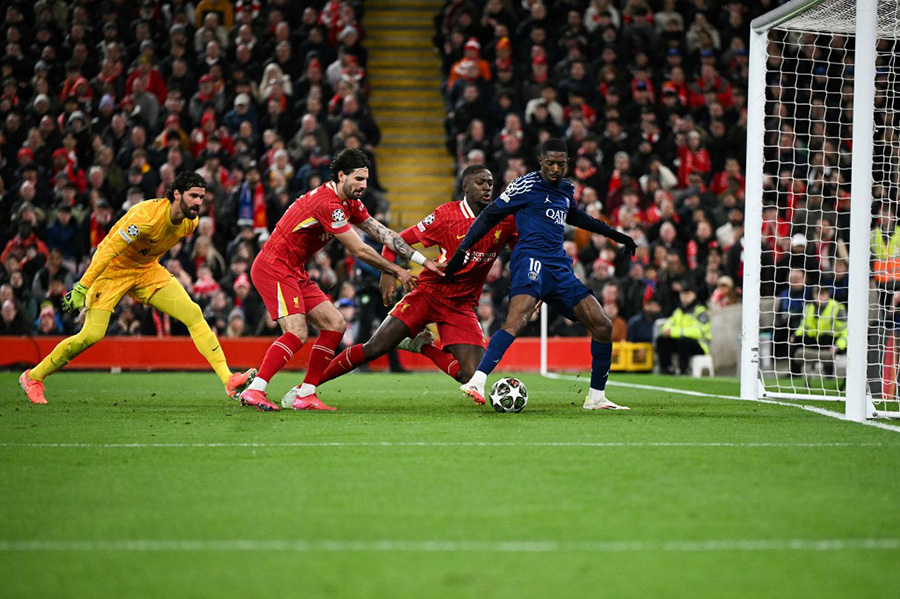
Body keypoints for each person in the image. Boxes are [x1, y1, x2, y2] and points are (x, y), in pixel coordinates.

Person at [18, 172, 256, 405]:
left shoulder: (189, 223)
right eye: (194, 195)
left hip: (146, 270)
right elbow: (107, 250)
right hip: (113, 270)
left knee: (193, 313)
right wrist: (83, 286)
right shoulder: (145, 216)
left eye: (202, 198)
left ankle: (229, 379)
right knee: (91, 335)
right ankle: (33, 377)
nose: (198, 203)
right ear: (176, 194)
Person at [238, 148, 443, 411]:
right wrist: (396, 270)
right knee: (297, 332)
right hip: (274, 267)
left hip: (294, 269)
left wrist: (423, 261)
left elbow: (383, 233)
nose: (363, 185)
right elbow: (359, 249)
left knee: (335, 324)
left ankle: (306, 394)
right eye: (358, 179)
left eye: (366, 180)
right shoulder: (328, 203)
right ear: (341, 175)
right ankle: (255, 390)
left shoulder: (350, 203)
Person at [444, 139, 638, 410]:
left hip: (559, 267)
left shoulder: (567, 189)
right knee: (518, 319)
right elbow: (489, 215)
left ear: (567, 163)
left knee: (602, 325)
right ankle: (477, 380)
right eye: (550, 163)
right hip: (530, 259)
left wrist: (616, 235)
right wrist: (462, 250)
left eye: (561, 163)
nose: (556, 168)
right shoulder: (525, 185)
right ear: (541, 161)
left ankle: (596, 397)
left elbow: (578, 217)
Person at [312, 165, 517, 395]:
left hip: (462, 305)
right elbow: (397, 240)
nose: (487, 187)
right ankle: (309, 387)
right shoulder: (446, 215)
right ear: (465, 187)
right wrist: (388, 272)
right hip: (428, 294)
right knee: (374, 347)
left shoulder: (505, 219)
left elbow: (522, 251)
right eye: (480, 183)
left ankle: (422, 345)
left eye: (490, 183)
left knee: (472, 376)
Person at [789, 285, 847, 378]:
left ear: (828, 294)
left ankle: (829, 375)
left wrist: (838, 346)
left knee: (826, 338)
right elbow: (803, 326)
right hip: (814, 339)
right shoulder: (809, 307)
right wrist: (795, 335)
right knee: (795, 340)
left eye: (822, 294)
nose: (819, 297)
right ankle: (794, 374)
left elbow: (845, 330)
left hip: (830, 340)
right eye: (817, 294)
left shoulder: (837, 308)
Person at [655, 283, 712, 375]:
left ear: (694, 295)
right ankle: (666, 368)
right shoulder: (678, 311)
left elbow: (698, 331)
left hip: (700, 345)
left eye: (688, 294)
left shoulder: (700, 312)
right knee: (661, 340)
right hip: (681, 342)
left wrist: (674, 332)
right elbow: (668, 324)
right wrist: (666, 330)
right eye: (683, 294)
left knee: (684, 341)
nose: (685, 297)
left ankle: (684, 370)